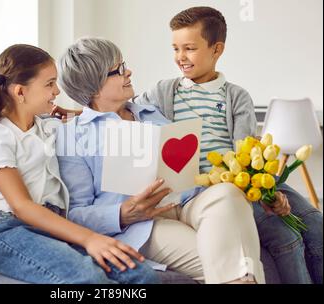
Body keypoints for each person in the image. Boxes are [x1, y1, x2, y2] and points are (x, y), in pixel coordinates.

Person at [133, 6, 323, 284]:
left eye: (189, 48)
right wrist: (77, 113)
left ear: (216, 49)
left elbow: (246, 151)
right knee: (287, 237)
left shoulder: (236, 97)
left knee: (315, 222)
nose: (180, 57)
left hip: (249, 178)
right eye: (175, 48)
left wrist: (269, 194)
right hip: (216, 189)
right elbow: (125, 108)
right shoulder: (163, 92)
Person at [56, 37, 266, 284]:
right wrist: (122, 213)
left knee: (228, 194)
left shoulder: (149, 111)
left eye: (125, 64)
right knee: (231, 261)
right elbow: (76, 213)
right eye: (119, 70)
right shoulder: (74, 136)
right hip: (146, 223)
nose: (129, 72)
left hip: (189, 200)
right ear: (94, 87)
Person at [0, 44, 160, 284]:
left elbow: (89, 120)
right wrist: (90, 238)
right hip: (7, 231)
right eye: (50, 84)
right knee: (87, 277)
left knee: (141, 273)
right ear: (20, 92)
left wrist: (74, 112)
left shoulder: (48, 128)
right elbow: (22, 206)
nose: (57, 90)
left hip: (50, 229)